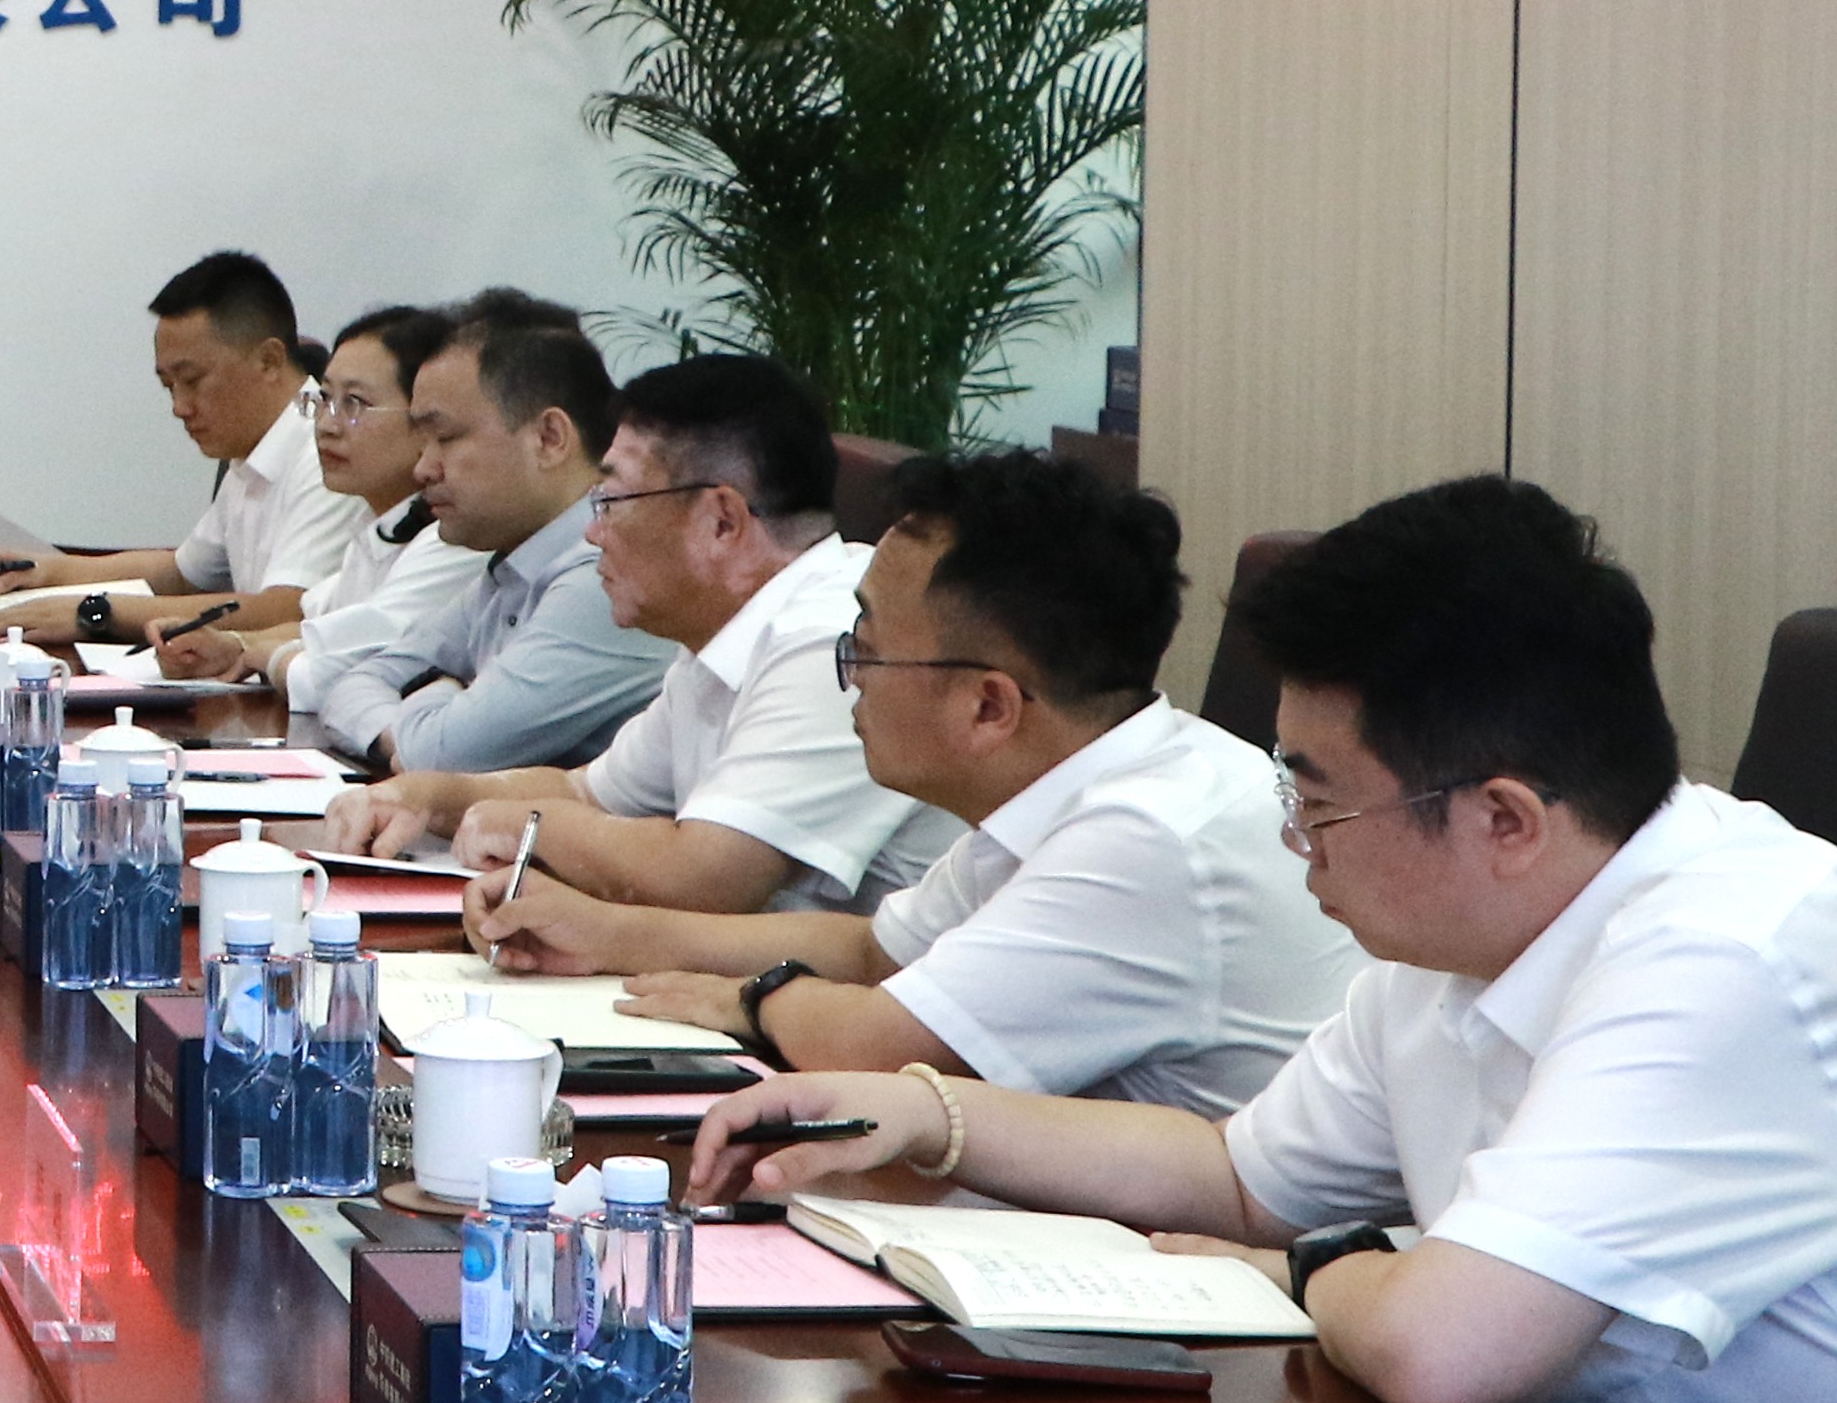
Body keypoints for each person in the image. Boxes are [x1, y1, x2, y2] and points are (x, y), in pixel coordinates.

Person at [696, 477, 1837, 1403]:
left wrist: (1309, 1268)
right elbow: (1238, 1175)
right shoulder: (1479, 922)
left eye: (1317, 800)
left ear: (1500, 817)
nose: (1290, 838)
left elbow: (1439, 1350)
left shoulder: (1728, 953)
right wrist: (928, 1112)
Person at [474, 449, 1351, 1109]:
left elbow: (877, 1041)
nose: (847, 677)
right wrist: (605, 932)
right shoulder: (1078, 776)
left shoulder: (1148, 835)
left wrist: (759, 999)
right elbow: (874, 952)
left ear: (988, 705)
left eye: (866, 647)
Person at [341, 353, 958, 913]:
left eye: (611, 502)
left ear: (721, 522)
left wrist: (526, 825)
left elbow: (707, 874)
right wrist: (428, 796)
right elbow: (591, 792)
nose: (593, 533)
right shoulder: (718, 638)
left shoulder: (834, 638)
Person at [306, 295, 671, 771]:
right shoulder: (513, 566)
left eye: (446, 438)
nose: (423, 468)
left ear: (549, 438)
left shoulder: (605, 577)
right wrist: (433, 713)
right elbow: (353, 685)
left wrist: (433, 702)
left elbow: (443, 755)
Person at [0, 250, 367, 648]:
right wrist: (53, 573)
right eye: (169, 386)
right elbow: (182, 574)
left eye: (192, 381)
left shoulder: (329, 451)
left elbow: (286, 611)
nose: (179, 407)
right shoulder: (255, 449)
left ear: (268, 361)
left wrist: (97, 612)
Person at [170, 303, 481, 694]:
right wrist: (232, 646)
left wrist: (260, 654)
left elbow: (340, 668)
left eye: (354, 403)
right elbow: (315, 624)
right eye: (324, 399)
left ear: (426, 419)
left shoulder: (456, 539)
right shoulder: (380, 525)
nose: (326, 426)